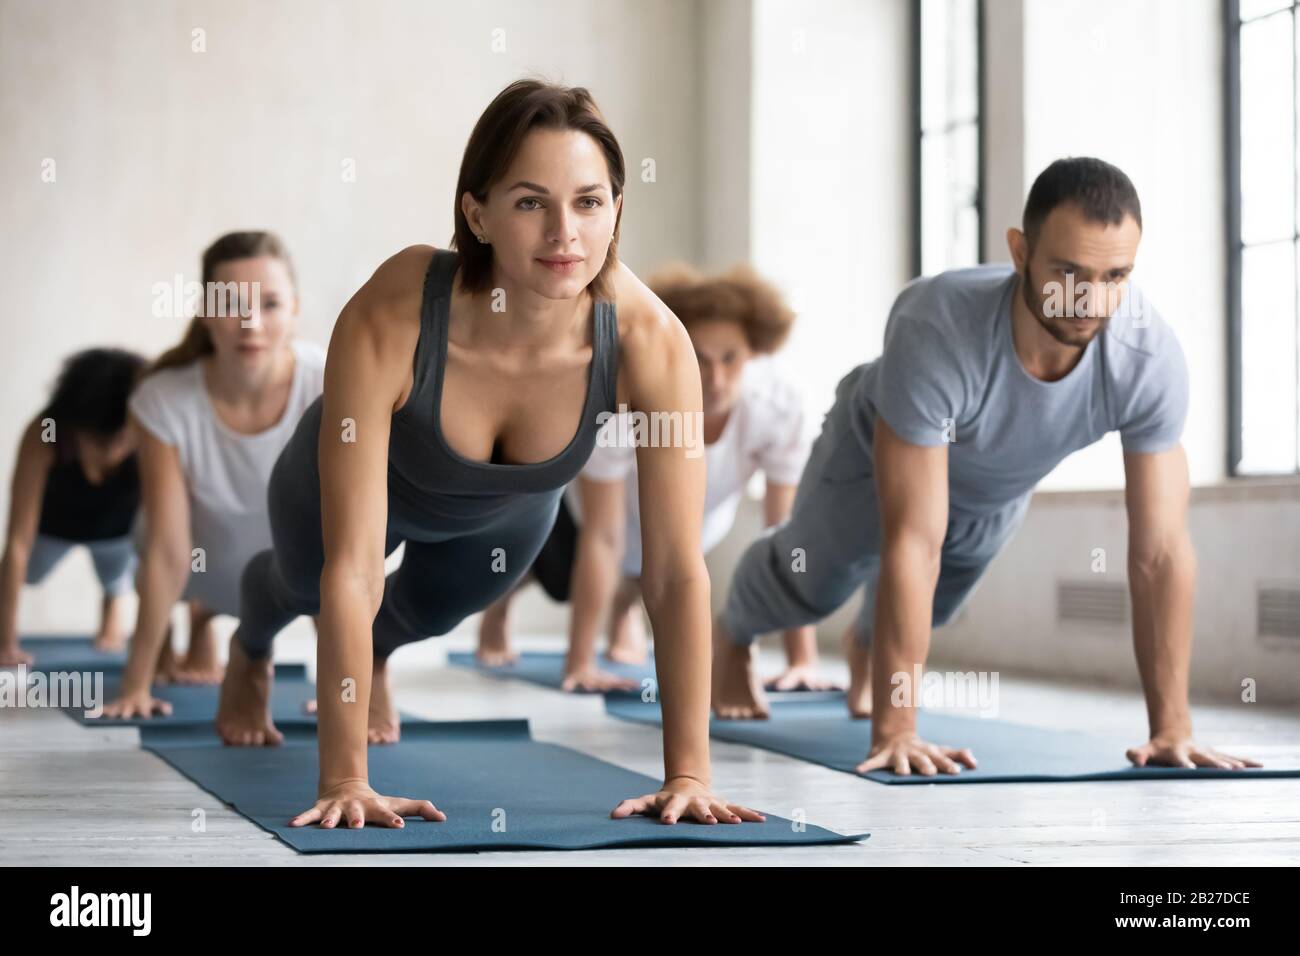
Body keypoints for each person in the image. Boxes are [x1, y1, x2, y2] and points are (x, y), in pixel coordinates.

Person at [217, 79, 765, 831]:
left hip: (503, 524)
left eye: (589, 202)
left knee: (419, 615)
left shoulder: (652, 342)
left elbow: (673, 569)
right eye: (531, 202)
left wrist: (689, 774)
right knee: (308, 585)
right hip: (342, 484)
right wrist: (346, 778)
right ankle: (249, 649)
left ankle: (374, 658)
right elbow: (353, 564)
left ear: (616, 210)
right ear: (477, 214)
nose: (563, 234)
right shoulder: (397, 306)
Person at [713, 156, 1263, 777]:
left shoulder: (1146, 359)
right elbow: (913, 539)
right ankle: (732, 635)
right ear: (1020, 251)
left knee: (939, 603)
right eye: (1068, 271)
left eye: (1116, 276)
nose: (1090, 299)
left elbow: (1159, 553)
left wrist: (1172, 729)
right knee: (813, 582)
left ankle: (867, 644)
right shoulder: (938, 323)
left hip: (994, 493)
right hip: (868, 457)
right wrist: (897, 730)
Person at [476, 262, 838, 698]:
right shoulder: (629, 397)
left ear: (754, 352)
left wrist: (802, 659)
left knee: (651, 572)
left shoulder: (779, 403)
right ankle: (497, 608)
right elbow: (604, 536)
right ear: (678, 350)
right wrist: (580, 663)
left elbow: (784, 536)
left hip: (693, 523)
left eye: (730, 358)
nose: (716, 379)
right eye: (700, 360)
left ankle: (623, 611)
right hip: (584, 523)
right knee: (547, 572)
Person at [101, 231, 325, 718]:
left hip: (291, 576)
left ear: (295, 310)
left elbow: (347, 535)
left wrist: (351, 688)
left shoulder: (330, 382)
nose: (250, 323)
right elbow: (166, 549)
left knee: (332, 540)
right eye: (232, 304)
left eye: (269, 304)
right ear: (205, 311)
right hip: (200, 572)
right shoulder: (162, 398)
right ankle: (192, 623)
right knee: (151, 535)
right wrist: (134, 686)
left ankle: (206, 627)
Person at [0, 348, 146, 666]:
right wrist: (6, 642)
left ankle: (113, 599)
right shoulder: (47, 431)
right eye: (100, 442)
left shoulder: (151, 433)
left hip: (118, 534)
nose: (112, 452)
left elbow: (167, 545)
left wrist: (164, 652)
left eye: (121, 439)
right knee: (29, 574)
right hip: (54, 528)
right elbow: (17, 544)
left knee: (120, 575)